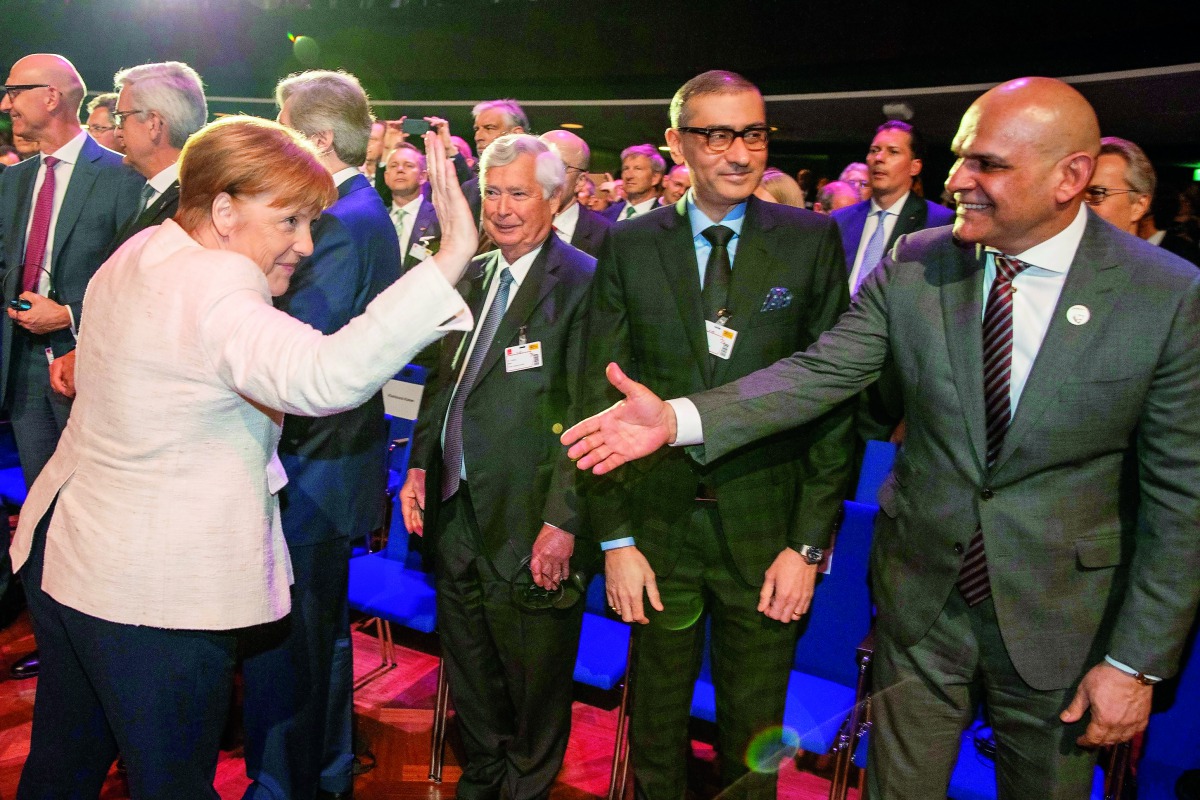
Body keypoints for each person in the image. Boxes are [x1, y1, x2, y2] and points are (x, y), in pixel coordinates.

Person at [563, 77, 1200, 800]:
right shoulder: (921, 263)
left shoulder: (1167, 296)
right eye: (960, 157)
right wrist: (680, 419)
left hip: (1060, 627)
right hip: (920, 609)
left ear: (1071, 177)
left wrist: (1137, 662)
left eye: (986, 164)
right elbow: (819, 373)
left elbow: (1184, 501)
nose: (957, 179)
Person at [11, 116, 475, 800]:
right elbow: (326, 376)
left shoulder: (143, 250)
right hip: (152, 597)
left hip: (71, 558)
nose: (305, 243)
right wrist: (452, 255)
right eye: (289, 220)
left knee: (61, 767)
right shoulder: (220, 282)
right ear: (224, 210)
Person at [578, 70, 854, 799]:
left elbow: (834, 400)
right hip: (656, 529)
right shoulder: (631, 245)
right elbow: (596, 403)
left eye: (754, 134)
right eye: (718, 134)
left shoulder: (811, 240)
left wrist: (809, 546)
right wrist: (615, 541)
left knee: (754, 739)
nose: (740, 153)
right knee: (656, 731)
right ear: (677, 143)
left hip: (768, 537)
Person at [399, 133, 596, 800]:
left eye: (520, 193)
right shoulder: (473, 274)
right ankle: (480, 783)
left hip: (530, 524)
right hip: (455, 518)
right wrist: (422, 467)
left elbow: (589, 413)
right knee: (472, 678)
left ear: (556, 195)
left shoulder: (585, 283)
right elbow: (441, 386)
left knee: (533, 693)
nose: (503, 208)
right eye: (494, 192)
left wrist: (563, 521)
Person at [0, 54, 142, 680]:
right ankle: (59, 654)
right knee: (39, 516)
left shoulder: (121, 177)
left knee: (92, 519)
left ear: (53, 96)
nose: (5, 104)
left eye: (14, 91)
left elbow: (134, 279)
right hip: (21, 371)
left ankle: (100, 656)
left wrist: (71, 316)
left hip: (89, 370)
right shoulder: (12, 181)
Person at [833, 121, 955, 294]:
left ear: (914, 167)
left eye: (893, 152)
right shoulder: (841, 220)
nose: (879, 158)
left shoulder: (938, 222)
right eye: (874, 150)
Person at [111, 61, 207, 242]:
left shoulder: (194, 207)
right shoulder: (150, 192)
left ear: (153, 124)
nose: (117, 132)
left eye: (121, 118)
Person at [1091, 136, 1200, 266]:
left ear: (1139, 205)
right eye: (1076, 196)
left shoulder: (1174, 275)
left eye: (1096, 193)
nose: (1080, 207)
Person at [540, 128, 611, 257]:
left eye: (559, 167)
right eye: (540, 164)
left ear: (580, 181)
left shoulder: (607, 237)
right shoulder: (511, 223)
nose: (547, 174)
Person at [462, 99, 529, 219]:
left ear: (516, 133)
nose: (478, 137)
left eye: (489, 128)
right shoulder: (469, 189)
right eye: (477, 129)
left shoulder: (536, 182)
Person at [385, 142, 440, 270]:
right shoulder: (377, 218)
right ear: (386, 177)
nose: (400, 170)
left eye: (408, 165)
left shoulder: (437, 219)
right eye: (394, 165)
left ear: (423, 176)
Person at [603, 143, 665, 222]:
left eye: (637, 169)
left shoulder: (666, 220)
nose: (629, 176)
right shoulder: (607, 215)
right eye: (626, 169)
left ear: (655, 178)